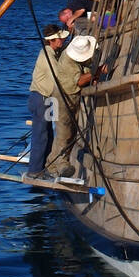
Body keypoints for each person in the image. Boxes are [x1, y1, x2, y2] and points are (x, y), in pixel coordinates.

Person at [46, 34, 97, 181]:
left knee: (71, 132)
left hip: (71, 96)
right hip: (61, 97)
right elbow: (80, 81)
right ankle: (59, 164)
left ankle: (52, 164)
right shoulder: (68, 61)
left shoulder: (74, 56)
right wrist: (96, 72)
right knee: (64, 131)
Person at [23, 25, 68, 183]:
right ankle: (34, 171)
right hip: (41, 99)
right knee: (41, 135)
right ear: (52, 41)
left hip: (46, 99)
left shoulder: (52, 53)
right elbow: (59, 76)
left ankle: (43, 168)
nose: (62, 40)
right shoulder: (47, 54)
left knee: (48, 134)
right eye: (60, 38)